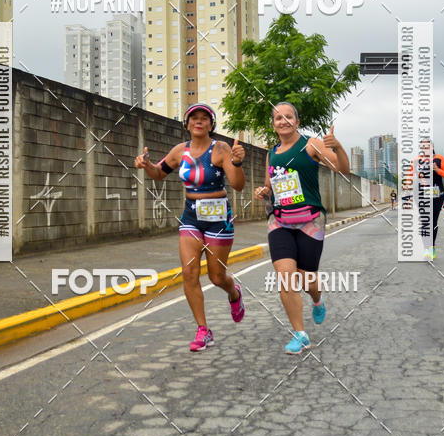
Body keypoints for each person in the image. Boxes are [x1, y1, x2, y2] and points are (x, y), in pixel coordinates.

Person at [134, 103, 246, 351]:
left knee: (216, 277)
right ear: (186, 124)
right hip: (191, 218)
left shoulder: (220, 149)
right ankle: (203, 330)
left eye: (204, 118)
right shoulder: (179, 151)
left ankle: (234, 293)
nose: (198, 122)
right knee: (189, 272)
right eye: (194, 118)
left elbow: (238, 185)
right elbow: (159, 173)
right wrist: (147, 164)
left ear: (211, 124)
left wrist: (236, 164)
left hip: (219, 220)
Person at [254, 103, 348, 354]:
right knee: (285, 275)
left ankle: (317, 300)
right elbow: (269, 186)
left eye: (288, 116)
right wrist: (263, 192)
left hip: (310, 221)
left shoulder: (311, 144)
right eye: (277, 118)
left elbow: (341, 169)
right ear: (273, 124)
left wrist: (337, 146)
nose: (283, 121)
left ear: (297, 120)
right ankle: (300, 334)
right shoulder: (271, 153)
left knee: (307, 279)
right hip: (280, 221)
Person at [404, 140, 444, 259]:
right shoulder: (416, 160)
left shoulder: (439, 159)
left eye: (427, 146)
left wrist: (437, 170)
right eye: (422, 147)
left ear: (432, 147)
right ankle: (426, 248)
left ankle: (432, 247)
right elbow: (409, 177)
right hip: (420, 194)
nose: (425, 149)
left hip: (437, 193)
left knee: (433, 221)